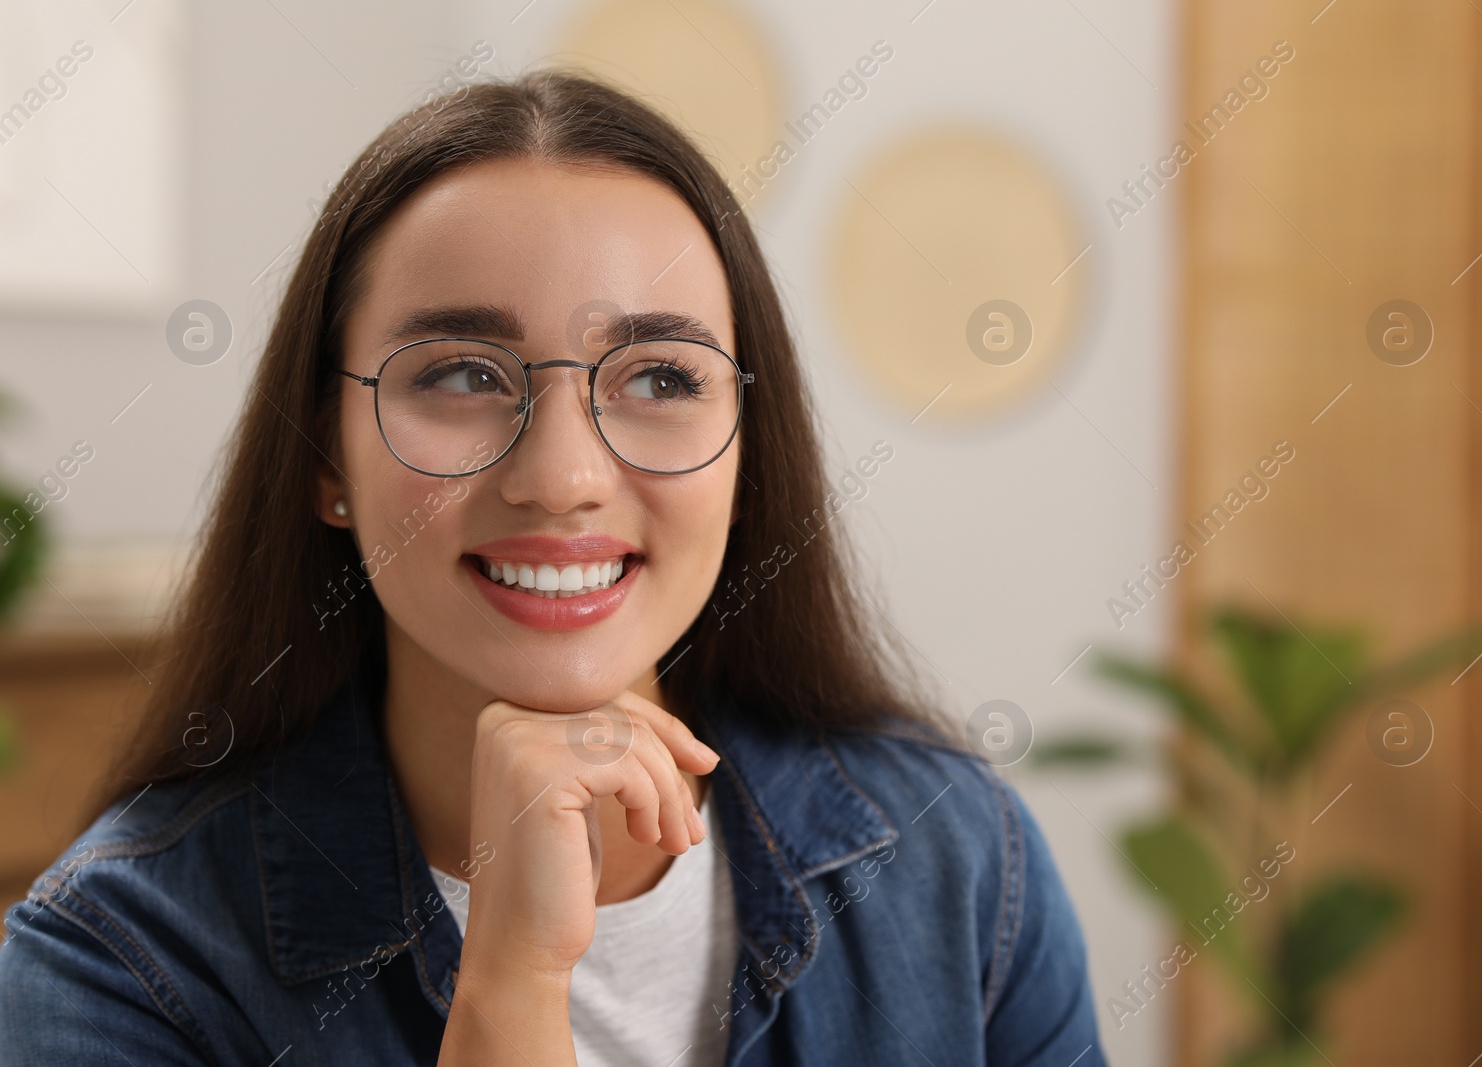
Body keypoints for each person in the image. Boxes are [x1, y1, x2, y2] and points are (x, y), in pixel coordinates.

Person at [0, 69, 1105, 1066]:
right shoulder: (116, 962)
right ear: (323, 457)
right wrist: (512, 987)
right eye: (462, 373)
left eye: (662, 378)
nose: (563, 474)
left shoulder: (961, 863)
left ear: (748, 451)